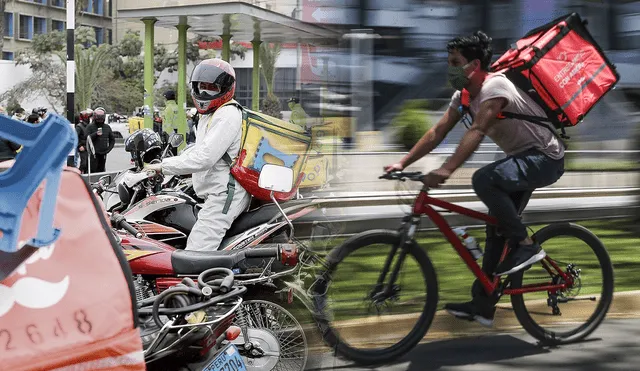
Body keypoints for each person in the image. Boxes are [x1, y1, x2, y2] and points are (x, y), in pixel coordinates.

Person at [384, 31, 565, 327]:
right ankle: (483, 306)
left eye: (455, 62)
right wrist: (402, 162)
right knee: (495, 232)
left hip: (545, 158)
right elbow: (437, 132)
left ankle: (526, 245)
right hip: (521, 159)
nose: (449, 68)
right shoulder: (463, 95)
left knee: (483, 180)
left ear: (475, 65)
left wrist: (447, 169)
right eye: (448, 61)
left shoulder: (496, 86)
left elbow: (478, 130)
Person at [144, 58, 251, 252]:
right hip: (213, 192)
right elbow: (199, 148)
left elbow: (205, 157)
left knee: (196, 253)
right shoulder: (210, 115)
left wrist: (163, 167)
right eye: (201, 87)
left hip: (224, 196)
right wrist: (163, 163)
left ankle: (204, 283)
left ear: (226, 88)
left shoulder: (227, 115)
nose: (204, 93)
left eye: (211, 88)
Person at [85, 108, 116, 172]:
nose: (100, 120)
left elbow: (112, 140)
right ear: (95, 117)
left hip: (103, 154)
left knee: (101, 170)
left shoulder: (107, 127)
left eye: (101, 117)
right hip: (93, 154)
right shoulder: (90, 127)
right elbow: (86, 138)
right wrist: (95, 134)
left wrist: (108, 149)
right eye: (98, 117)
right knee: (92, 170)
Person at [161, 90, 180, 155]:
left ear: (166, 98)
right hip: (180, 132)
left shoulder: (168, 109)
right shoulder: (178, 107)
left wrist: (171, 136)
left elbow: (167, 124)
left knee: (171, 154)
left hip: (170, 133)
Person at [76, 109, 92, 174]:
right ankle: (78, 175)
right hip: (83, 147)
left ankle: (85, 176)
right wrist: (79, 146)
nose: (90, 119)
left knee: (89, 164)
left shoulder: (90, 126)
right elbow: (75, 137)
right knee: (83, 164)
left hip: (89, 146)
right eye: (89, 117)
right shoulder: (79, 127)